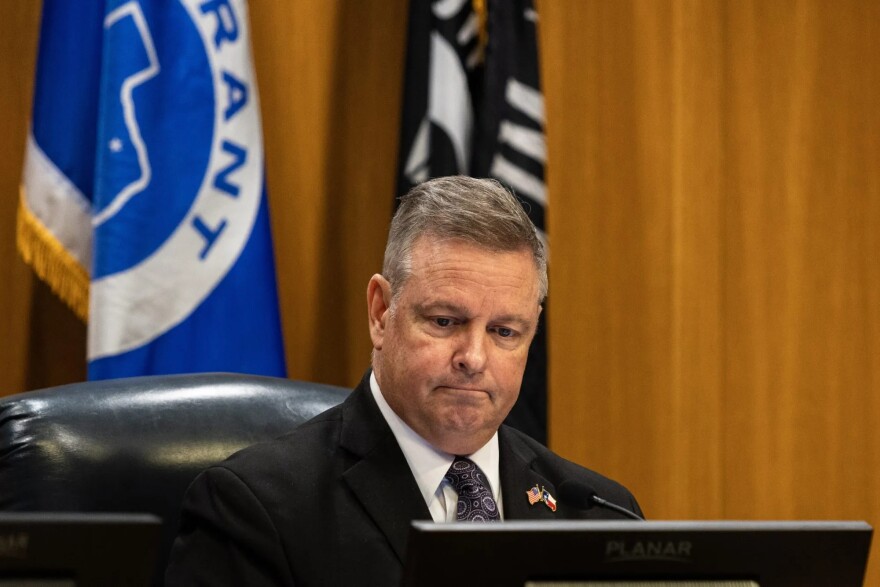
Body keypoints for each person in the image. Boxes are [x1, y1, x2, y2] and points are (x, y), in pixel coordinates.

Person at [165, 176, 642, 586]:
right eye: (444, 322)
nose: (474, 358)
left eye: (504, 332)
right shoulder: (254, 508)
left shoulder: (600, 515)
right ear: (380, 312)